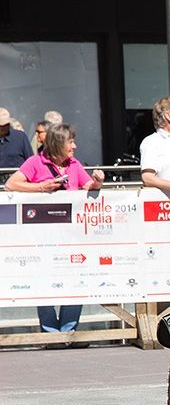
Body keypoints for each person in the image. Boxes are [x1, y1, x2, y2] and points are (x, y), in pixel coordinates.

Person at [5, 122, 105, 342]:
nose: (75, 146)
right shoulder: (35, 162)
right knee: (43, 281)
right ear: (58, 143)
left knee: (76, 280)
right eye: (71, 142)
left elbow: (89, 186)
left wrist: (98, 181)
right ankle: (50, 334)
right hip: (41, 236)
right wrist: (42, 187)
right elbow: (11, 185)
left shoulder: (74, 164)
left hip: (71, 236)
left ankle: (68, 332)